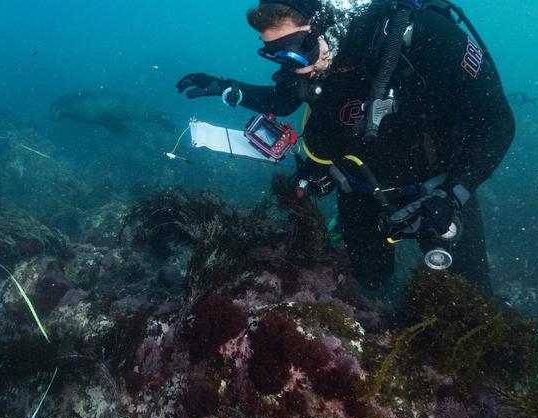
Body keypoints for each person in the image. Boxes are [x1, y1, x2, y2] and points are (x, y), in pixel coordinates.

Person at [176, 0, 514, 292]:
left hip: (436, 189)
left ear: (326, 23)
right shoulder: (308, 61)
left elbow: (498, 121)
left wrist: (454, 193)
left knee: (471, 296)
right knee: (371, 280)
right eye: (278, 56)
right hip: (359, 189)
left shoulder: (425, 34)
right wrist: (225, 87)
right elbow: (282, 100)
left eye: (299, 48)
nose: (299, 67)